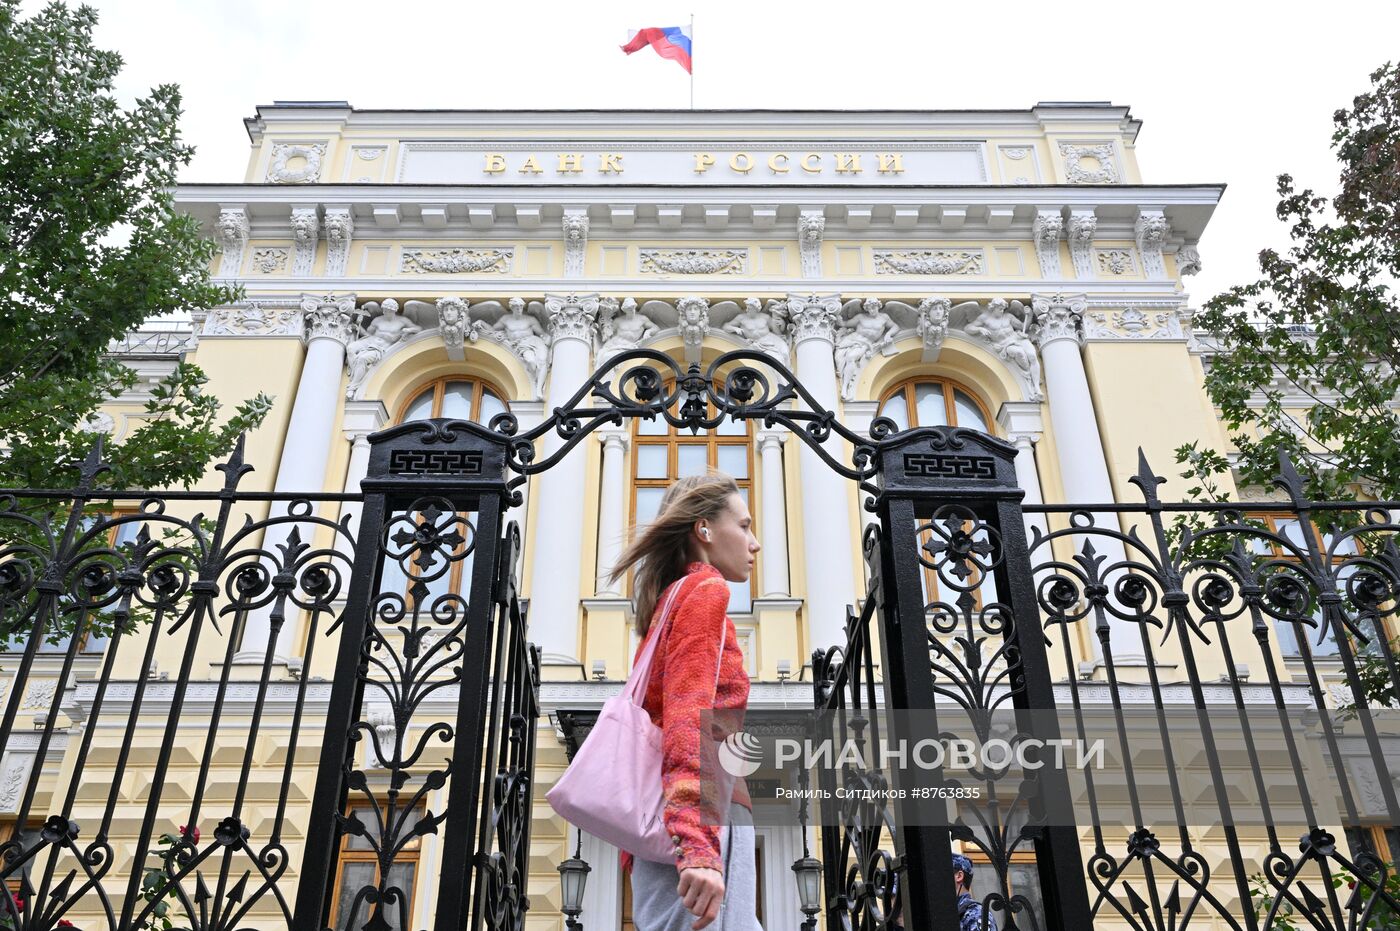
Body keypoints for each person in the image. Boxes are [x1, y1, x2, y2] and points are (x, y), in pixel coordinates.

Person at [605, 470, 763, 930]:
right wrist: (696, 844)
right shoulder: (703, 592)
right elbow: (689, 718)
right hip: (701, 814)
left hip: (671, 814)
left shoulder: (670, 599)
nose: (754, 543)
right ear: (705, 530)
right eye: (745, 525)